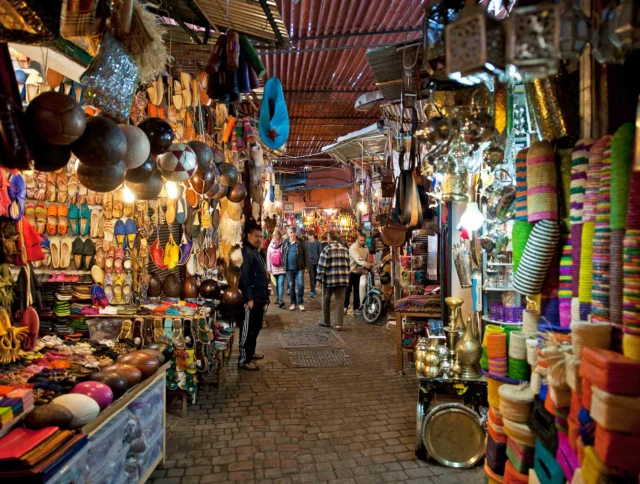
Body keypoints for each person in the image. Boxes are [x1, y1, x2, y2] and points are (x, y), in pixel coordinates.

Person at [238, 221, 269, 371]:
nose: (259, 239)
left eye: (260, 236)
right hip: (251, 299)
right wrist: (248, 297)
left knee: (255, 328)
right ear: (248, 236)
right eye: (256, 236)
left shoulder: (255, 251)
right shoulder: (246, 251)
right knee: (248, 329)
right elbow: (244, 276)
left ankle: (251, 353)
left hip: (259, 297)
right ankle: (244, 359)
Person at [317, 230, 350, 330]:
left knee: (326, 299)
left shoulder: (327, 249)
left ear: (330, 238)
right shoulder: (345, 249)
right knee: (340, 301)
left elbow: (322, 265)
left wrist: (318, 278)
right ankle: (338, 324)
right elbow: (348, 265)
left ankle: (326, 321)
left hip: (329, 280)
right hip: (342, 279)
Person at [282, 226, 310, 311]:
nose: (292, 234)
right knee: (291, 286)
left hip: (299, 267)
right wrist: (284, 265)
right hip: (289, 268)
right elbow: (283, 254)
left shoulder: (301, 242)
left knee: (300, 285)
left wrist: (306, 266)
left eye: (293, 232)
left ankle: (300, 303)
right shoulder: (286, 242)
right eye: (291, 233)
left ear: (296, 233)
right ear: (288, 233)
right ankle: (293, 303)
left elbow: (306, 254)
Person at [344, 232, 371, 316]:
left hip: (359, 272)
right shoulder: (353, 247)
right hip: (351, 271)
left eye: (364, 240)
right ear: (357, 239)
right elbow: (357, 258)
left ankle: (356, 308)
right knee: (348, 290)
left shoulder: (366, 248)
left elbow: (367, 258)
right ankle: (345, 307)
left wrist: (368, 265)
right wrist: (365, 264)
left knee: (357, 291)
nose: (362, 242)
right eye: (361, 240)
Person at [266, 228, 286, 308]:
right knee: (277, 284)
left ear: (279, 235)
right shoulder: (270, 246)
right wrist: (269, 268)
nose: (275, 236)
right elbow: (268, 257)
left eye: (277, 235)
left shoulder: (283, 244)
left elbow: (285, 256)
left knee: (280, 283)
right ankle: (278, 298)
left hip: (282, 268)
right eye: (274, 235)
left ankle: (280, 300)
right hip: (273, 269)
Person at [306, 230, 322, 298]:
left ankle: (314, 288)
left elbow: (320, 252)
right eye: (308, 236)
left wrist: (320, 262)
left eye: (310, 236)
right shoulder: (306, 243)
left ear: (313, 235)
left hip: (317, 262)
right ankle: (312, 291)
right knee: (311, 277)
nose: (309, 237)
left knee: (316, 277)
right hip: (310, 263)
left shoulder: (318, 243)